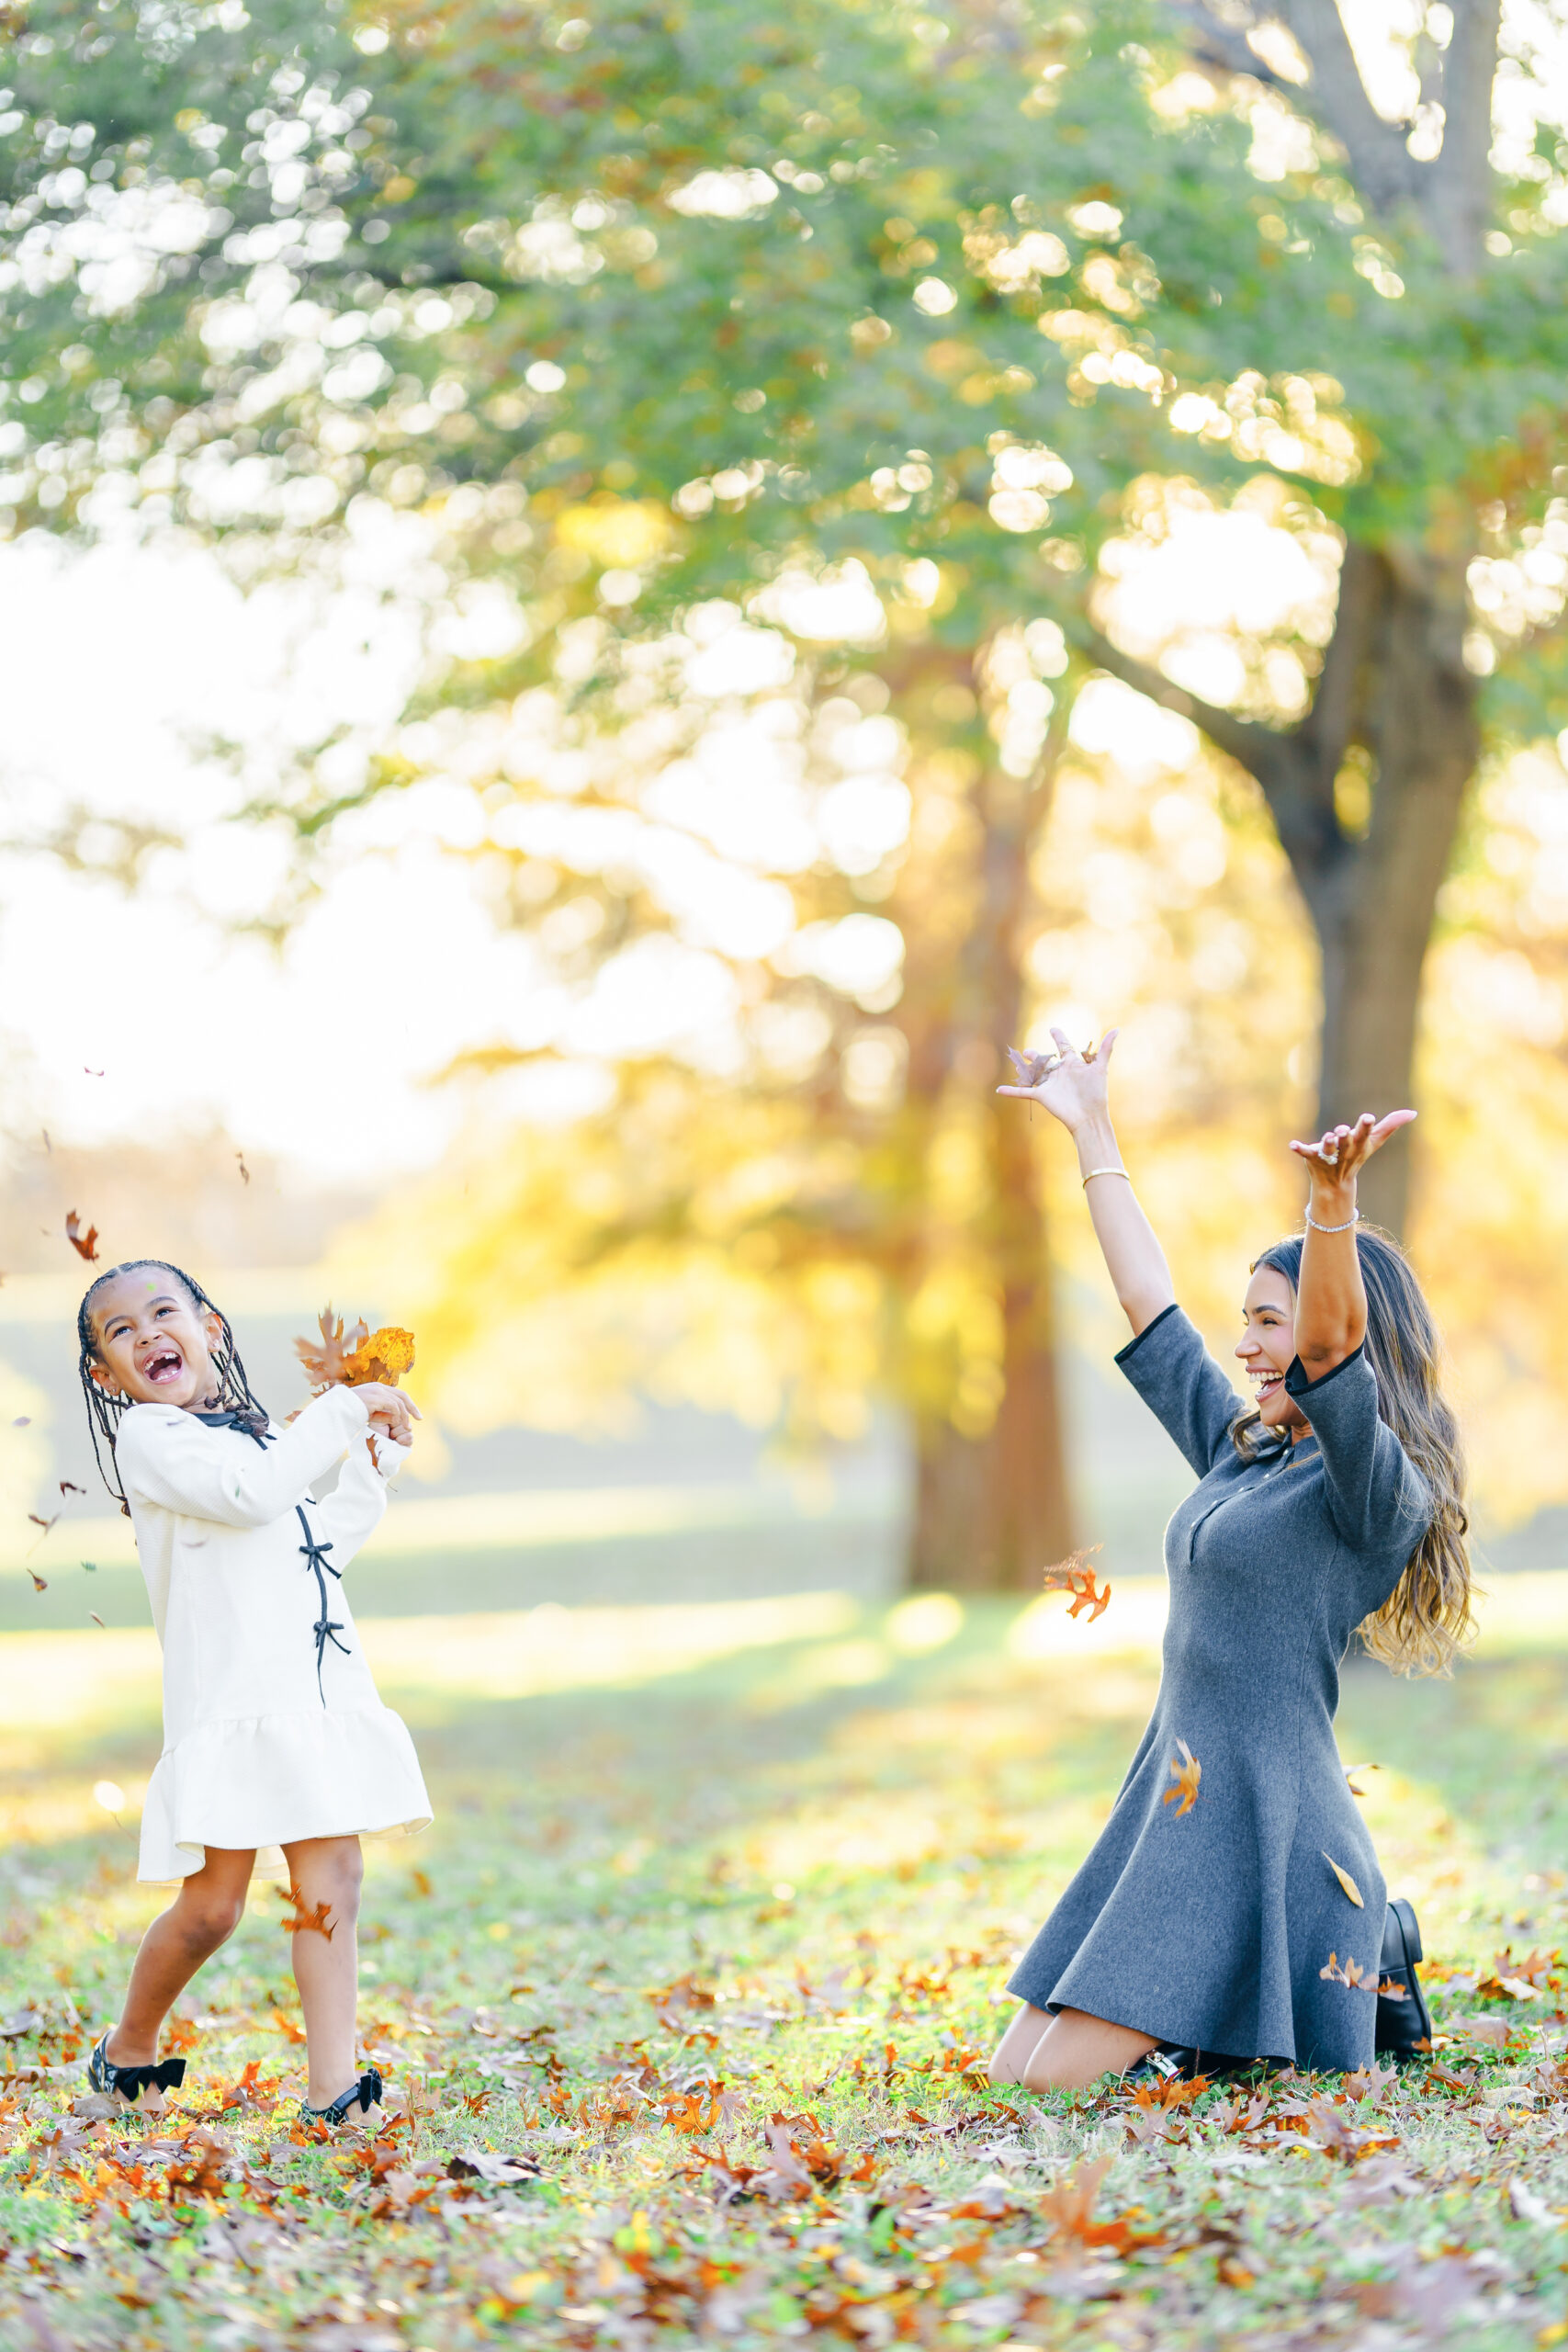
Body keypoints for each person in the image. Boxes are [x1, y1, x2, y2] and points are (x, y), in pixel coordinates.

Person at [988, 1031, 1471, 2089]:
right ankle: (1216, 2026)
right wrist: (1092, 1128)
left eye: (1266, 1322)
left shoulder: (1372, 1489)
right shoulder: (1243, 1448)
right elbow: (1146, 1305)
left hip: (1270, 1830)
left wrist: (1329, 1209)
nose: (1245, 1346)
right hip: (1176, 1798)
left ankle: (1322, 1965)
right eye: (1243, 1322)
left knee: (1044, 2083)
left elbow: (1334, 1348)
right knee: (1015, 2063)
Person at [75, 1259, 434, 2126]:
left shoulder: (258, 1435)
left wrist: (366, 1470)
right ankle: (128, 2046)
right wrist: (342, 1411)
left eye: (165, 1313)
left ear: (211, 1327)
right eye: (121, 1332)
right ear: (105, 1374)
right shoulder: (154, 1440)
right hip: (231, 1704)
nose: (148, 1334)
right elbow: (253, 1498)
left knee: (333, 1876)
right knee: (212, 1909)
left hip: (308, 1689)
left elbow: (313, 1542)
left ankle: (333, 2089)